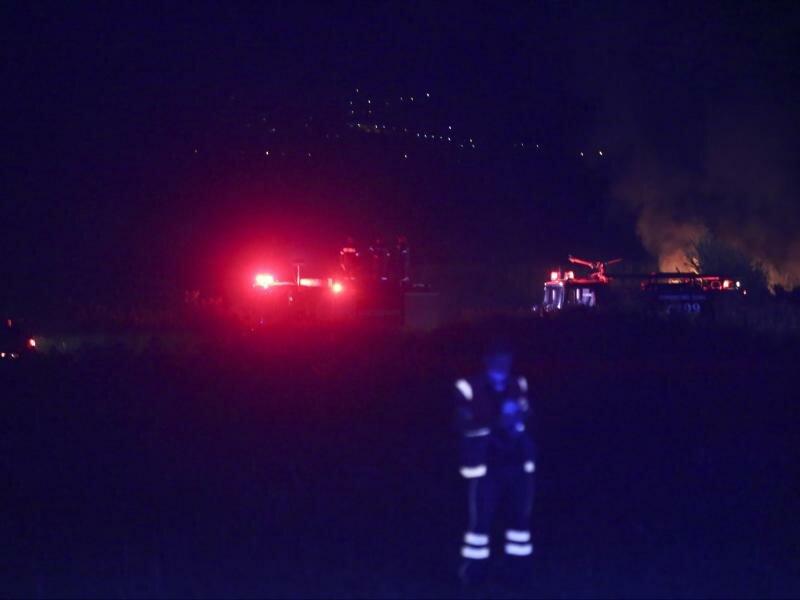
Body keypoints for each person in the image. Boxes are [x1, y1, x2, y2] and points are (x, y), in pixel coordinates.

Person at [454, 340, 535, 586]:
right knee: (480, 524)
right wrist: (495, 424)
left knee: (519, 523)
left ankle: (517, 573)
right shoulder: (468, 387)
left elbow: (529, 417)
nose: (504, 364)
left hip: (518, 465)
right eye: (499, 359)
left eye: (507, 359)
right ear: (487, 360)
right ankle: (473, 573)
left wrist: (519, 422)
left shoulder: (517, 384)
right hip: (485, 466)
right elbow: (463, 426)